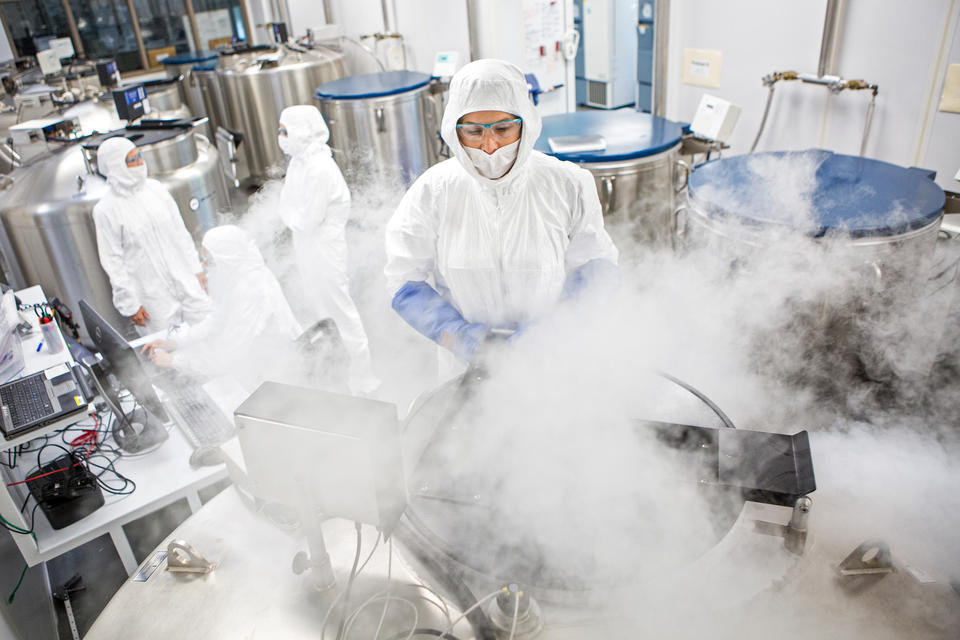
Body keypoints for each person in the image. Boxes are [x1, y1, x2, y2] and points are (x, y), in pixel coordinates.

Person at [384, 59, 619, 369]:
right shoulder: (433, 191)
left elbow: (596, 267)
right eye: (473, 132)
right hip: (467, 365)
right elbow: (403, 279)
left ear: (526, 123)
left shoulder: (567, 183)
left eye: (503, 129)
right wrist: (460, 337)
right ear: (454, 131)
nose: (490, 146)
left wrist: (552, 332)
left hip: (551, 359)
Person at [277, 105, 380, 395]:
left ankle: (362, 377)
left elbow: (305, 220)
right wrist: (291, 215)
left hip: (325, 250)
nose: (280, 137)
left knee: (341, 313)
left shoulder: (320, 169)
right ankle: (337, 368)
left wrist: (291, 215)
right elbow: (287, 207)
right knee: (322, 310)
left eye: (284, 131)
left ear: (301, 131)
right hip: (307, 248)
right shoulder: (299, 163)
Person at [141, 225, 302, 387]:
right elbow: (215, 320)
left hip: (276, 375)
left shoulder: (253, 290)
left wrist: (174, 360)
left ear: (227, 258)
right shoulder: (237, 279)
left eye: (210, 260)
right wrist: (175, 342)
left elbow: (227, 356)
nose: (204, 265)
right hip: (255, 365)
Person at [93, 136, 210, 334]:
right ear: (114, 166)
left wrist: (196, 269)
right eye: (132, 160)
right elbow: (113, 262)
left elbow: (180, 233)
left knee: (208, 332)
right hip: (153, 298)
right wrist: (129, 304)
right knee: (170, 350)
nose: (140, 163)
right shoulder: (106, 210)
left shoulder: (155, 189)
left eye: (139, 156)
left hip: (185, 279)